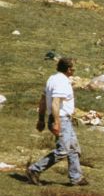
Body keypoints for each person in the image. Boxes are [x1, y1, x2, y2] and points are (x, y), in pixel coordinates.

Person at [26, 57, 87, 187]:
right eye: (73, 68)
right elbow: (55, 103)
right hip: (61, 119)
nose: (74, 70)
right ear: (69, 69)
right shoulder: (62, 82)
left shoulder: (52, 79)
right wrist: (57, 122)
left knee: (73, 148)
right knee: (63, 150)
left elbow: (43, 100)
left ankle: (76, 177)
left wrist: (41, 119)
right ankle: (34, 170)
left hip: (62, 119)